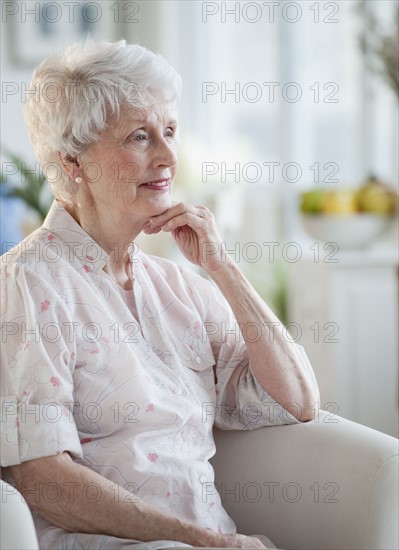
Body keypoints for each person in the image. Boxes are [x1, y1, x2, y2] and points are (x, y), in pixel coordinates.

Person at [0, 39, 319, 550]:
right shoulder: (30, 283)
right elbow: (42, 478)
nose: (169, 155)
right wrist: (200, 541)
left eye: (170, 131)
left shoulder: (179, 285)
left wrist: (223, 267)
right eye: (141, 136)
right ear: (74, 161)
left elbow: (297, 401)